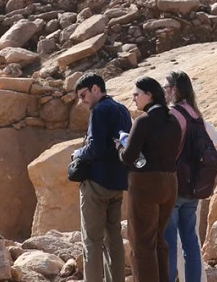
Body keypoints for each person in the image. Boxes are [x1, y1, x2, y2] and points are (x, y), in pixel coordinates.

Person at [120, 77, 182, 282]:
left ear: (150, 94)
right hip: (170, 183)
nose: (134, 98)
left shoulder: (143, 121)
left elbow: (129, 157)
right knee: (159, 240)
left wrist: (120, 145)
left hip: (145, 184)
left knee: (142, 244)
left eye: (136, 94)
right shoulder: (173, 120)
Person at [73, 73, 133, 282]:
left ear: (96, 88)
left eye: (83, 95)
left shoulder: (99, 110)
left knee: (91, 240)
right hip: (118, 182)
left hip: (97, 184)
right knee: (114, 238)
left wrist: (77, 154)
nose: (82, 101)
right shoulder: (123, 109)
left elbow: (96, 148)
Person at [164, 71, 206, 282]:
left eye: (166, 87)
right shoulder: (196, 114)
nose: (164, 91)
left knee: (170, 243)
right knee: (191, 242)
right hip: (194, 185)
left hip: (174, 185)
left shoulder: (173, 114)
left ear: (174, 89)